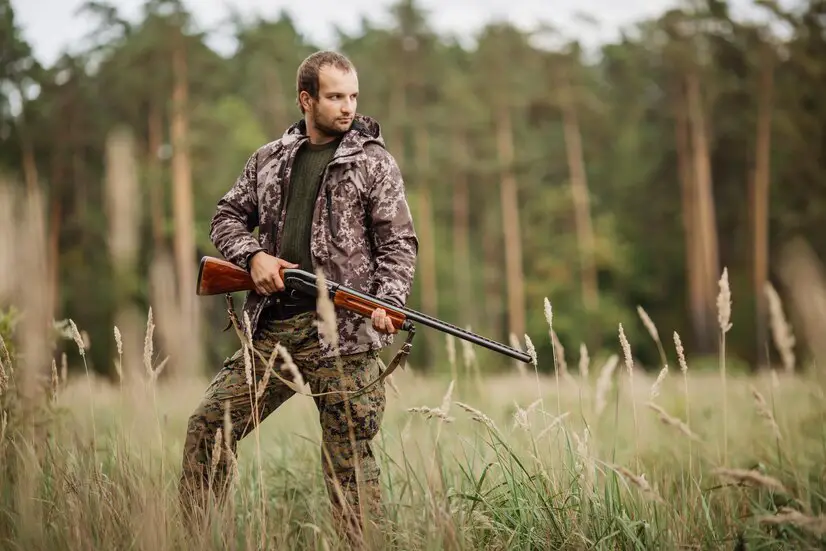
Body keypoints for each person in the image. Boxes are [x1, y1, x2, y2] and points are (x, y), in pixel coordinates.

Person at [178, 50, 418, 541]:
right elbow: (225, 215)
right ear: (306, 99)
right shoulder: (269, 159)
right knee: (208, 427)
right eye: (334, 97)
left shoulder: (374, 162)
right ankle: (196, 537)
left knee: (349, 468)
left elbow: (398, 244)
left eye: (352, 96)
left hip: (345, 338)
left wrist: (388, 302)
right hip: (274, 330)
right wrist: (252, 258)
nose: (347, 107)